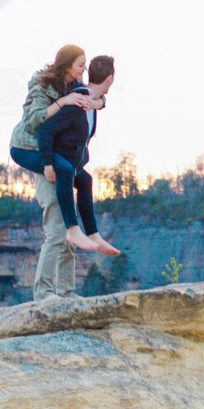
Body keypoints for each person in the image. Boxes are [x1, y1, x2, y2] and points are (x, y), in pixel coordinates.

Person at [8, 45, 108, 298]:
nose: (84, 69)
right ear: (66, 65)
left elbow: (98, 98)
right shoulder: (42, 84)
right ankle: (43, 292)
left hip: (58, 158)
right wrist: (63, 101)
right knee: (56, 229)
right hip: (33, 150)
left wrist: (93, 102)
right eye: (80, 64)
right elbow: (36, 120)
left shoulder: (74, 82)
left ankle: (66, 291)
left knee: (69, 226)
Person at [35, 54, 120, 259]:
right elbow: (45, 131)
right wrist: (48, 164)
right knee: (56, 235)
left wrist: (98, 103)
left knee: (86, 180)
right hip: (54, 165)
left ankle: (93, 234)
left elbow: (100, 100)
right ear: (110, 78)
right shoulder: (78, 101)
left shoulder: (91, 100)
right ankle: (75, 230)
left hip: (70, 165)